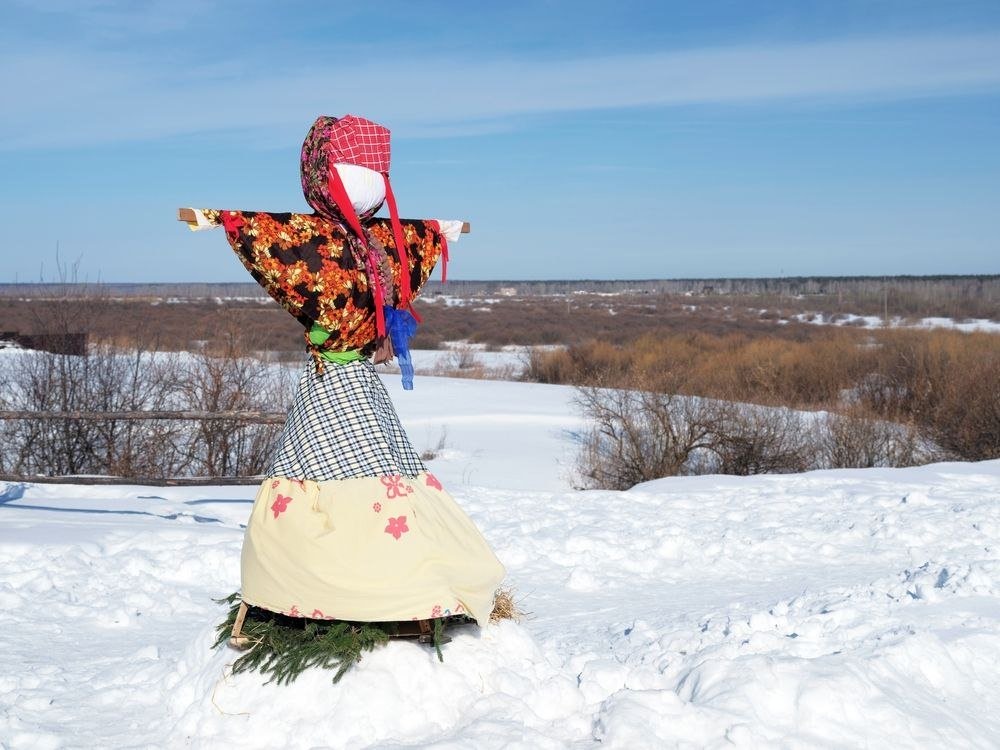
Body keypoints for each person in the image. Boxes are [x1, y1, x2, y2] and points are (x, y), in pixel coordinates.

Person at [193, 115, 505, 630]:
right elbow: (277, 232)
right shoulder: (330, 240)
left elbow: (404, 236)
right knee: (353, 473)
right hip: (339, 378)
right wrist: (227, 220)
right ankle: (348, 585)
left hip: (342, 379)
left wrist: (435, 230)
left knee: (357, 474)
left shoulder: (372, 241)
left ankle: (360, 587)